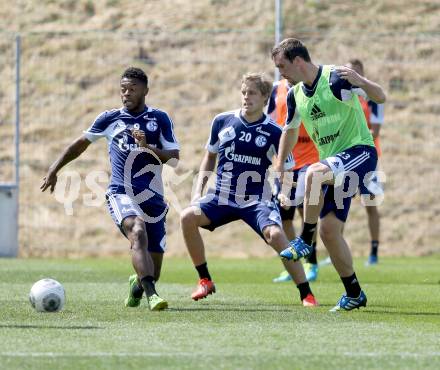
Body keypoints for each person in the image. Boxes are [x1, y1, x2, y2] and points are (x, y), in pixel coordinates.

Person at [41, 67, 180, 311]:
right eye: (123, 89)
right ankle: (152, 296)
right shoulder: (110, 118)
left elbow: (173, 158)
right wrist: (54, 169)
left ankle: (138, 284)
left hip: (153, 198)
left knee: (153, 268)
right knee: (137, 231)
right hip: (121, 192)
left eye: (132, 89)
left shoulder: (159, 118)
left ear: (145, 91)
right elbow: (79, 145)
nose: (126, 93)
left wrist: (147, 147)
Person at [180, 73, 318, 307]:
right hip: (221, 196)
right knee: (187, 217)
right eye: (244, 92)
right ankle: (205, 280)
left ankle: (306, 293)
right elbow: (209, 157)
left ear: (265, 97)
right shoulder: (222, 121)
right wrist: (197, 191)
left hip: (255, 199)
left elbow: (286, 166)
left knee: (276, 235)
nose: (246, 97)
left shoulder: (275, 131)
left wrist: (284, 191)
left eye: (252, 92)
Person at [271, 38, 386, 311]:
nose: (280, 73)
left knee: (314, 172)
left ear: (298, 60)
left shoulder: (337, 78)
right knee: (330, 231)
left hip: (360, 153)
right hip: (334, 166)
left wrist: (362, 81)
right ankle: (354, 293)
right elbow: (289, 130)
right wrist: (279, 165)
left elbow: (381, 96)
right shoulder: (294, 93)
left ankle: (304, 240)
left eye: (282, 66)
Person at [267, 79, 320, 283]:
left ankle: (311, 262)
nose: (283, 71)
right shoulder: (276, 89)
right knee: (284, 216)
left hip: (309, 161)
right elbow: (271, 123)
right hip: (286, 162)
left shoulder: (311, 86)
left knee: (306, 213)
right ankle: (294, 263)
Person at [346, 59, 385, 266]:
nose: (351, 74)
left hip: (368, 158)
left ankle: (374, 251)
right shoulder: (341, 95)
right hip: (344, 158)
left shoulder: (371, 97)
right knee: (339, 203)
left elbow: (375, 131)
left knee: (370, 204)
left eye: (356, 71)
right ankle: (337, 247)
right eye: (348, 70)